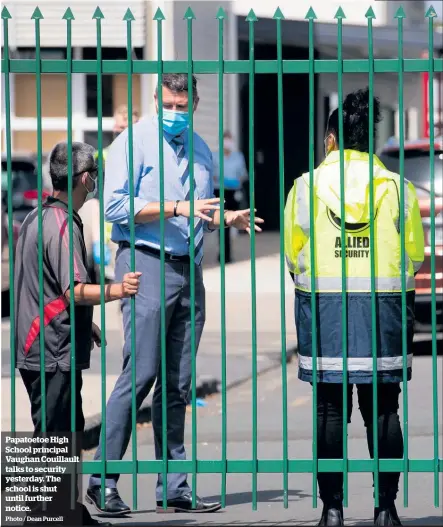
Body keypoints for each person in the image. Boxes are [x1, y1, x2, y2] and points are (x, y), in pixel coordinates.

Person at [86, 73, 264, 516]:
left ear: (196, 102)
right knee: (141, 373)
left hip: (189, 270)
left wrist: (227, 218)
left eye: (183, 106)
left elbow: (200, 210)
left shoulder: (202, 149)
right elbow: (113, 205)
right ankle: (101, 480)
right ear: (155, 99)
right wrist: (176, 207)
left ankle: (175, 485)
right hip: (145, 263)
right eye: (168, 105)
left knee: (178, 383)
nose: (175, 114)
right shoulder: (134, 142)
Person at [284, 88, 424, 526]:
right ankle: (386, 507)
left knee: (329, 409)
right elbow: (415, 252)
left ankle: (332, 509)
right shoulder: (398, 189)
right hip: (382, 312)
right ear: (372, 140)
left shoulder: (305, 187)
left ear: (331, 140)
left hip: (326, 311)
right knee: (383, 410)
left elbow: (293, 252)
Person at [14, 142, 141, 526]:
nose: (95, 184)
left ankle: (66, 511)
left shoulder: (39, 216)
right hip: (51, 348)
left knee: (60, 431)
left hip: (40, 342)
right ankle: (47, 514)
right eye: (94, 177)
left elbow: (45, 289)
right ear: (86, 178)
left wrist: (88, 325)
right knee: (54, 437)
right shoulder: (64, 224)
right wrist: (119, 290)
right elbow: (74, 290)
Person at [79, 105, 141, 284]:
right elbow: (97, 199)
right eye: (122, 128)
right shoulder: (102, 157)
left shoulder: (146, 156)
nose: (126, 132)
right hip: (110, 229)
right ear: (115, 128)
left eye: (130, 128)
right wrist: (99, 238)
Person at [212, 130, 248, 263]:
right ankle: (222, 254)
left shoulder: (238, 156)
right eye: (225, 139)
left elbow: (243, 174)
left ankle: (228, 253)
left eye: (229, 139)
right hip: (219, 192)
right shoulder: (214, 156)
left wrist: (233, 180)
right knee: (221, 223)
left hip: (233, 193)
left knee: (231, 222)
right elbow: (211, 174)